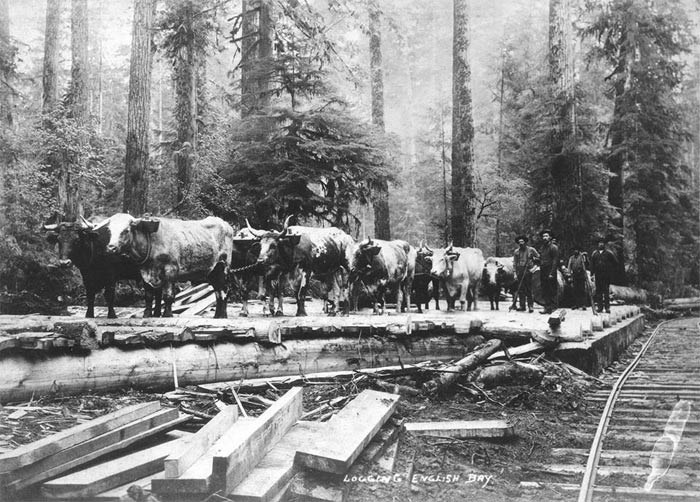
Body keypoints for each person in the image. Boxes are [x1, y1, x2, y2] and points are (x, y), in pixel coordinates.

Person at [512, 235, 540, 313]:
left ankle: (530, 306)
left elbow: (539, 259)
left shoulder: (531, 250)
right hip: (520, 271)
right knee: (521, 289)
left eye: (522, 242)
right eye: (519, 242)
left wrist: (534, 268)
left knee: (529, 289)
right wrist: (515, 273)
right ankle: (522, 306)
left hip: (528, 271)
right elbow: (514, 262)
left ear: (525, 242)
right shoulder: (516, 251)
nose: (521, 243)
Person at [590, 236, 617, 313]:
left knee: (606, 292)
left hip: (606, 276)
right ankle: (600, 307)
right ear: (598, 244)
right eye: (599, 243)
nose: (601, 244)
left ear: (604, 244)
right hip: (598, 276)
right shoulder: (594, 254)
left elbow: (615, 263)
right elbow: (592, 265)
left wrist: (610, 271)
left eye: (602, 243)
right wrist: (592, 274)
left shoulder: (609, 253)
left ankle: (607, 307)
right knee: (598, 292)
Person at [539, 229, 559, 314]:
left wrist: (552, 273)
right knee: (545, 289)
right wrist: (534, 259)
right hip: (543, 270)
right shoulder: (542, 248)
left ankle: (553, 308)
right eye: (543, 236)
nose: (544, 238)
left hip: (550, 270)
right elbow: (541, 259)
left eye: (546, 236)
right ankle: (546, 307)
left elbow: (555, 261)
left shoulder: (553, 247)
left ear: (550, 237)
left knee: (552, 289)